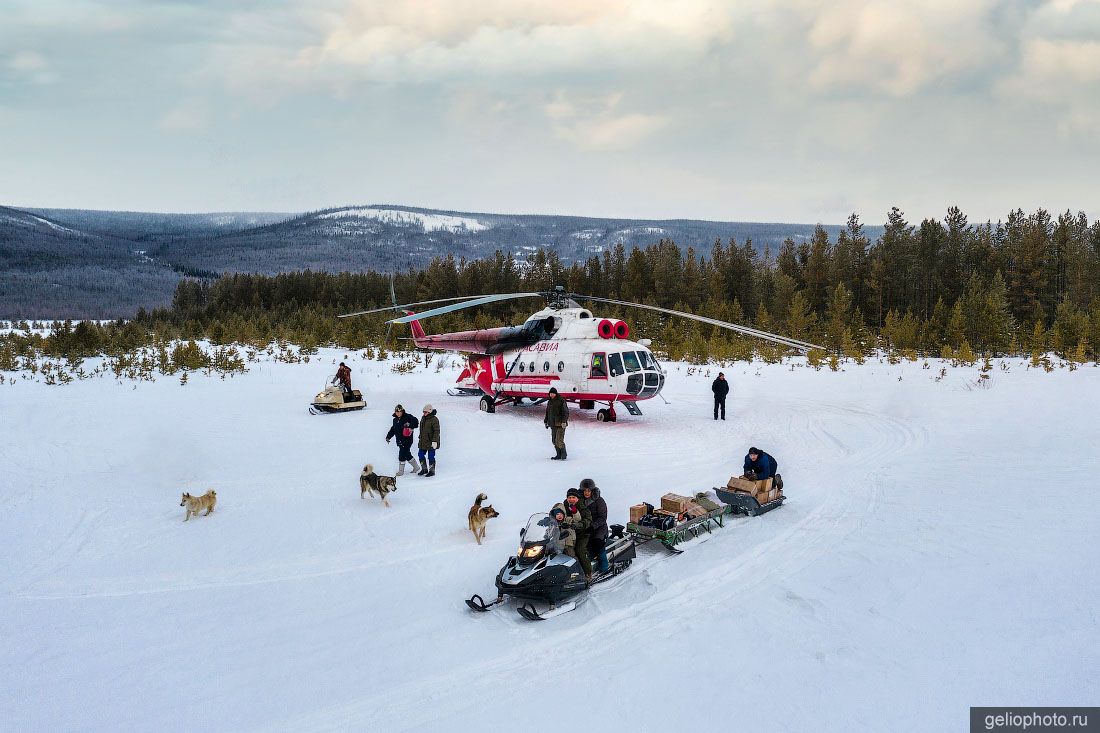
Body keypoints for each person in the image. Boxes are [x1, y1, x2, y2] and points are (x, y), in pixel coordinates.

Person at [580, 478, 609, 573]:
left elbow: (602, 517)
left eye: (588, 490)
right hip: (585, 526)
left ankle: (604, 565)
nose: (586, 493)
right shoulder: (579, 501)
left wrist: (593, 526)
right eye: (584, 490)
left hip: (599, 527)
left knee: (597, 543)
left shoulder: (599, 500)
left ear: (592, 491)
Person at [563, 488, 592, 581]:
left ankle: (588, 573)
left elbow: (588, 520)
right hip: (568, 534)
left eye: (573, 497)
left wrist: (580, 525)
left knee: (580, 550)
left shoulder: (583, 507)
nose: (571, 499)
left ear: (577, 498)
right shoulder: (565, 505)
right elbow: (557, 512)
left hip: (582, 534)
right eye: (569, 497)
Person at [385, 404, 420, 476]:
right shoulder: (395, 420)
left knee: (401, 455)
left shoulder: (408, 417)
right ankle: (416, 467)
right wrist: (388, 437)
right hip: (400, 441)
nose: (398, 413)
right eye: (397, 411)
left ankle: (401, 472)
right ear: (395, 412)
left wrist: (410, 425)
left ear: (402, 411)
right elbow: (393, 429)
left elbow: (416, 422)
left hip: (407, 440)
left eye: (400, 411)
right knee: (407, 455)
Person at [544, 387, 569, 460]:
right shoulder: (549, 402)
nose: (551, 395)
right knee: (554, 441)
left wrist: (564, 421)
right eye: (550, 394)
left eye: (553, 393)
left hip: (560, 424)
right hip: (552, 424)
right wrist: (546, 421)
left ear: (555, 394)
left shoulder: (561, 401)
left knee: (559, 440)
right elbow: (547, 412)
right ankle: (558, 454)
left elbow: (566, 412)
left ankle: (564, 455)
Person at [417, 404, 440, 477]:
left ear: (429, 411)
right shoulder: (423, 418)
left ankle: (432, 471)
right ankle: (424, 469)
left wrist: (434, 441)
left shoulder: (434, 419)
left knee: (431, 456)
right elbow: (422, 429)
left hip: (431, 442)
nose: (424, 413)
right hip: (423, 441)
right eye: (423, 412)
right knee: (420, 454)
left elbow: (437, 431)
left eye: (425, 412)